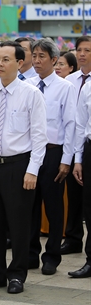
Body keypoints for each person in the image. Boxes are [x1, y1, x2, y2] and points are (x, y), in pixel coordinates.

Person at [0, 41, 47, 294]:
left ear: (19, 63)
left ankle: (16, 275)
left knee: (18, 224)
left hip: (19, 166)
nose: (0, 64)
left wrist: (32, 170)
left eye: (6, 60)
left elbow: (39, 137)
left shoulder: (31, 93)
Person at [26, 39, 76, 275]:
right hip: (29, 152)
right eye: (34, 55)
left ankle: (52, 256)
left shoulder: (65, 87)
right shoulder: (27, 84)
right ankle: (30, 253)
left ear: (54, 60)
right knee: (30, 205)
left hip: (54, 152)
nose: (36, 60)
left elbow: (70, 125)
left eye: (41, 56)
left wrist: (66, 160)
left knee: (53, 206)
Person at [63, 36, 91, 255]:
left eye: (87, 50)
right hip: (73, 144)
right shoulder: (70, 81)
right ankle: (72, 239)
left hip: (83, 143)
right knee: (74, 195)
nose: (82, 54)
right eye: (79, 50)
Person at [69, 81, 91, 278]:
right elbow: (80, 124)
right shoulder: (88, 87)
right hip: (90, 148)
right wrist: (78, 159)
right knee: (89, 207)